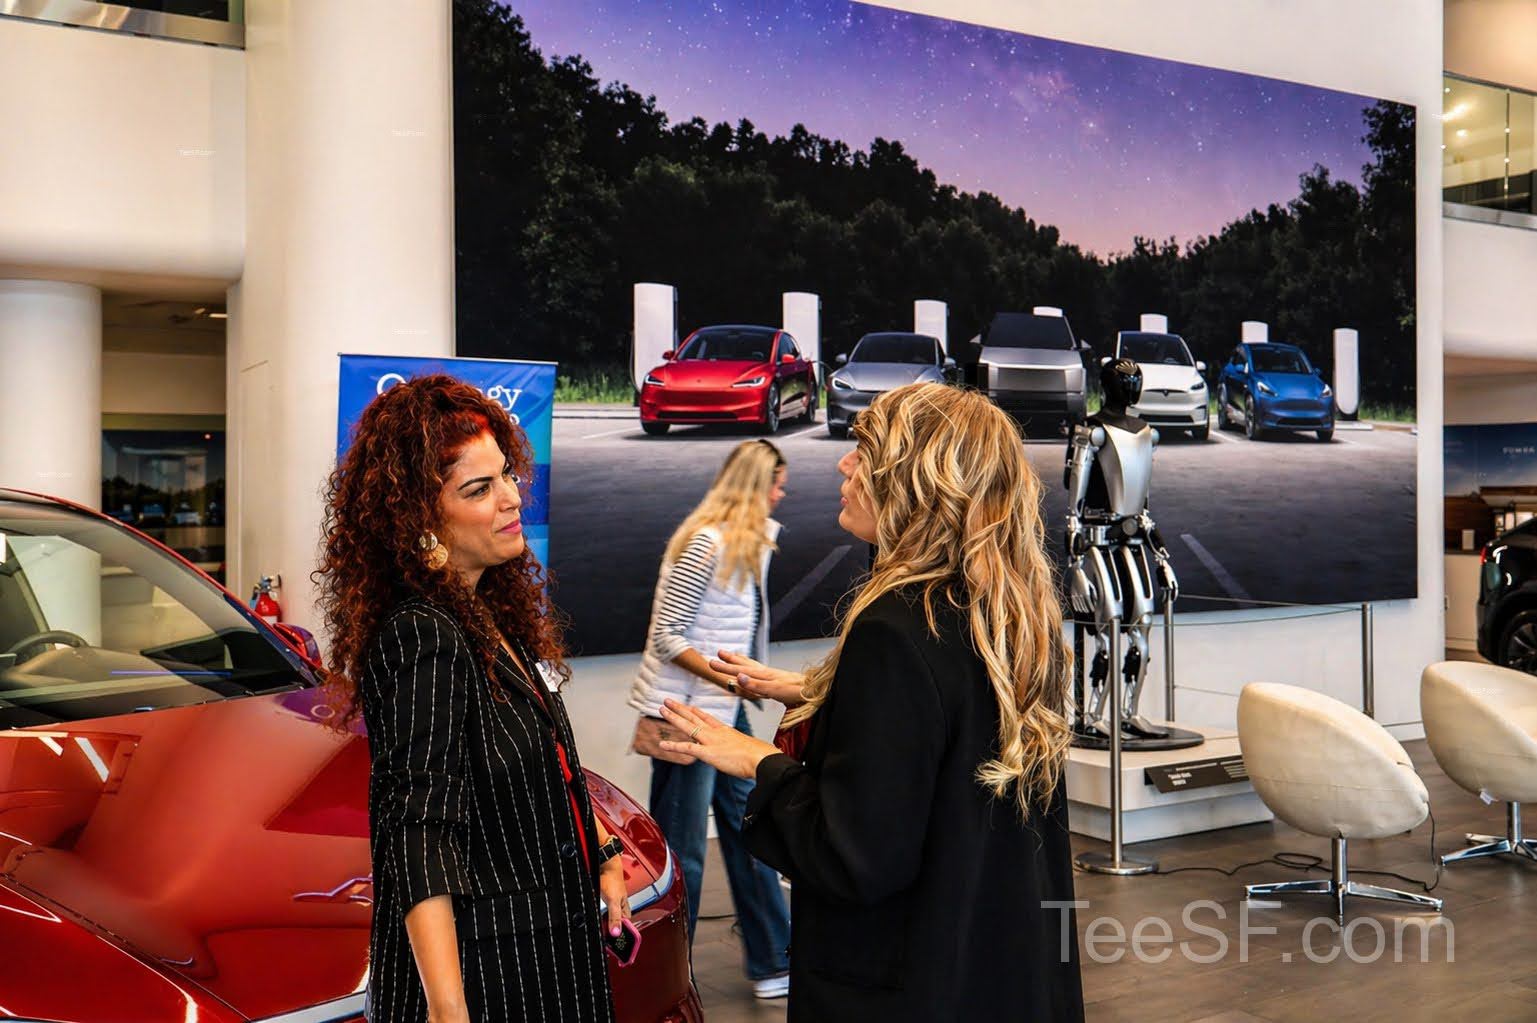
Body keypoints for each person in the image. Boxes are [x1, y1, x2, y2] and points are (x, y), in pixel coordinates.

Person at [661, 382, 1086, 1022]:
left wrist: (757, 761)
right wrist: (823, 690)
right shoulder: (1012, 615)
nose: (843, 464)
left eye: (864, 450)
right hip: (1002, 959)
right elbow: (946, 729)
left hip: (911, 979)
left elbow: (857, 857)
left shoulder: (892, 629)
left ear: (913, 479)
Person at [314, 375, 624, 1023]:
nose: (512, 498)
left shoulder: (489, 609)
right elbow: (418, 828)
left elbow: (549, 762)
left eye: (506, 474)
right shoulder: (422, 634)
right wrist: (448, 1007)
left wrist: (603, 851)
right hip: (491, 977)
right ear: (419, 520)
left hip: (545, 949)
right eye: (478, 489)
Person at [628, 439, 793, 999]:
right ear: (753, 484)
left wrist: (741, 688)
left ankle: (774, 962)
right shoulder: (704, 543)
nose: (782, 493)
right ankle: (666, 978)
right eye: (776, 482)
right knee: (681, 856)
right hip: (685, 716)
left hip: (725, 713)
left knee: (753, 837)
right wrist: (734, 681)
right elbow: (667, 636)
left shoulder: (750, 545)